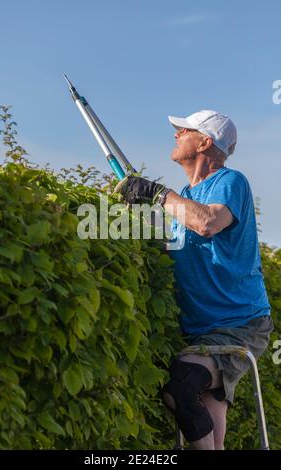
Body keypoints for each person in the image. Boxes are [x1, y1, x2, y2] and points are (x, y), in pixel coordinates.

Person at [114, 109, 273, 450]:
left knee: (182, 386)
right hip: (201, 327)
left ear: (204, 142)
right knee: (206, 402)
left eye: (183, 130)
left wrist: (158, 194)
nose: (175, 135)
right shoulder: (186, 196)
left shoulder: (230, 183)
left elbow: (207, 223)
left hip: (240, 322)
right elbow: (174, 246)